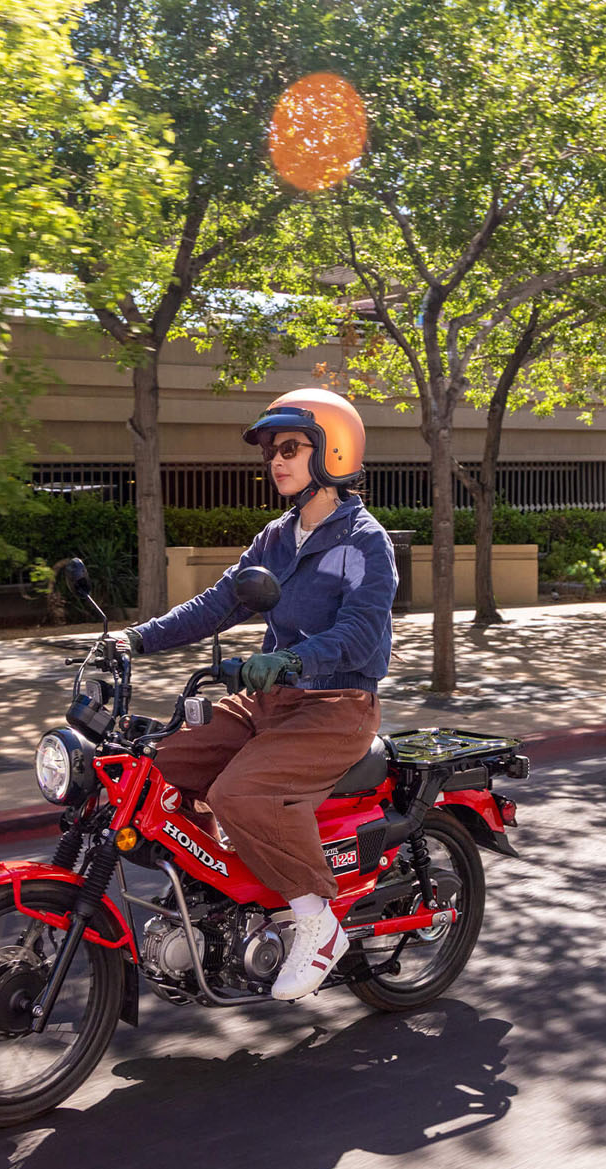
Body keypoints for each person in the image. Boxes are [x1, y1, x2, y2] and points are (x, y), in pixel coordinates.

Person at [122, 387, 397, 1000]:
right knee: (156, 766)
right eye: (272, 450)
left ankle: (317, 922)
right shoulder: (277, 537)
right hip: (268, 702)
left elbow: (359, 632)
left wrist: (291, 659)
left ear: (334, 451)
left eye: (291, 448)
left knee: (240, 792)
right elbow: (219, 604)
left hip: (334, 706)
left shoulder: (363, 541)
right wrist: (134, 642)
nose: (276, 460)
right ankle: (218, 893)